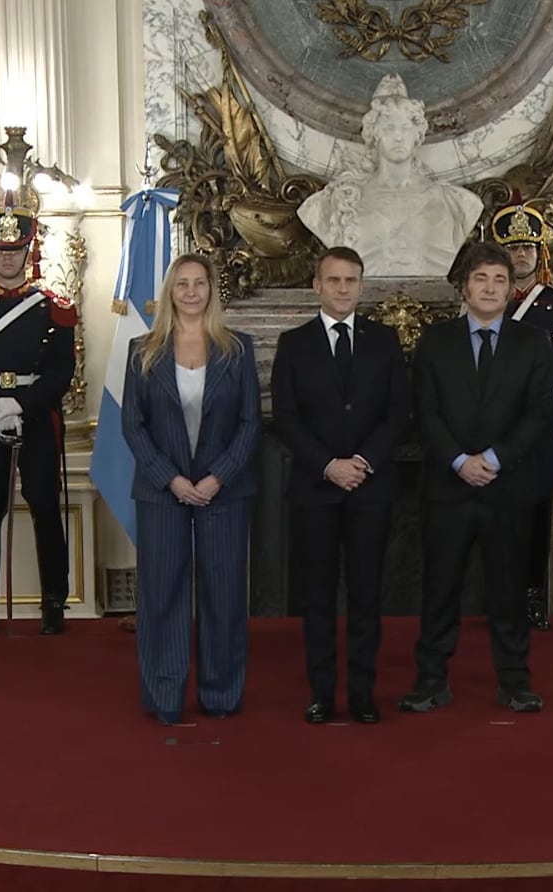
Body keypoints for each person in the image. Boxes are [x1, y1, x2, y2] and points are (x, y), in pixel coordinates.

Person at [400, 242, 553, 714]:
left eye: (500, 281)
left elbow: (538, 414)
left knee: (509, 592)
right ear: (464, 287)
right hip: (448, 489)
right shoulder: (434, 342)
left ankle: (514, 682)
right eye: (481, 279)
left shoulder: (533, 342)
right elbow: (423, 411)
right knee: (440, 589)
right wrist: (458, 461)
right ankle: (430, 681)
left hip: (508, 489)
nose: (491, 288)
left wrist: (492, 458)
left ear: (511, 290)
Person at [272, 246, 410, 725]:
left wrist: (363, 461)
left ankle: (363, 693)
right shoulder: (293, 344)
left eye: (351, 280)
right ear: (317, 285)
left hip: (371, 489)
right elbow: (286, 418)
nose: (343, 289)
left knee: (368, 596)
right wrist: (329, 464)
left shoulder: (385, 341)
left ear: (361, 285)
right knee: (317, 597)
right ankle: (322, 693)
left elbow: (398, 413)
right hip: (315, 488)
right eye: (334, 280)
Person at [121, 253, 260, 725]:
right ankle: (164, 695)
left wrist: (216, 477)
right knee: (162, 594)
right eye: (182, 283)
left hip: (224, 489)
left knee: (223, 595)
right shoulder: (143, 350)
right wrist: (174, 480)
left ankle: (221, 694)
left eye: (200, 283)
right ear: (170, 292)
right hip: (162, 491)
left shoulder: (237, 348)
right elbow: (133, 427)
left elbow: (249, 424)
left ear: (211, 290)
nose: (192, 291)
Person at [0, 195, 76, 637]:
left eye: (15, 250)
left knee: (44, 505)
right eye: (1, 250)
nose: (8, 258)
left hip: (37, 417)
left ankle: (53, 601)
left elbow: (63, 370)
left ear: (29, 250)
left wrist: (21, 405)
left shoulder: (53, 309)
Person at [296, 74, 483, 277]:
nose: (399, 136)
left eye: (405, 128)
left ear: (418, 135)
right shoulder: (337, 201)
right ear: (374, 135)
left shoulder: (456, 202)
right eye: (389, 128)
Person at [491, 193, 553, 631]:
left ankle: (532, 596)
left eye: (527, 247)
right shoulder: (487, 301)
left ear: (539, 252)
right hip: (495, 429)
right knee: (495, 519)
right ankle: (499, 598)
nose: (520, 254)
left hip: (544, 429)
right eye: (512, 247)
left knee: (537, 519)